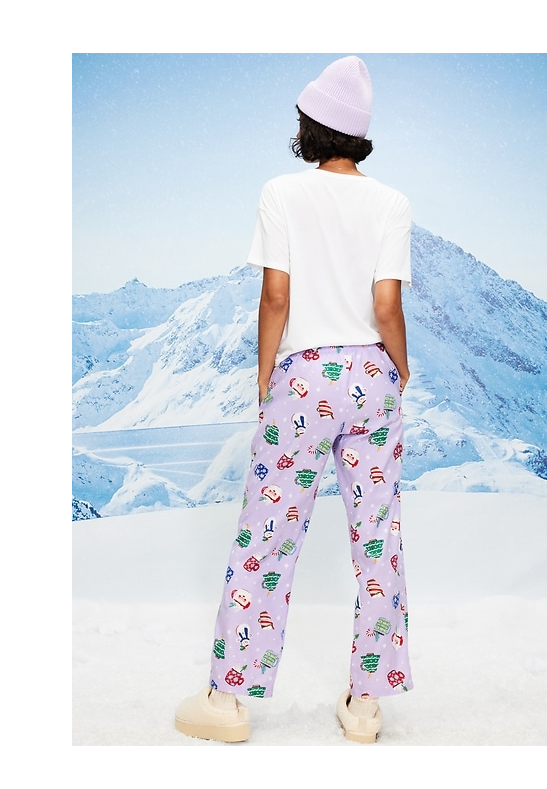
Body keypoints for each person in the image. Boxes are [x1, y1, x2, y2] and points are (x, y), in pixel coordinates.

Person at [175, 55, 414, 744]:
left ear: (312, 126)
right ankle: (366, 704)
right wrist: (399, 370)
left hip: (304, 379)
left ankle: (228, 701)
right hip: (371, 374)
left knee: (267, 536)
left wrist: (264, 375)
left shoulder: (281, 192)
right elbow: (387, 305)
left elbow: (275, 296)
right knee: (378, 538)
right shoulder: (391, 202)